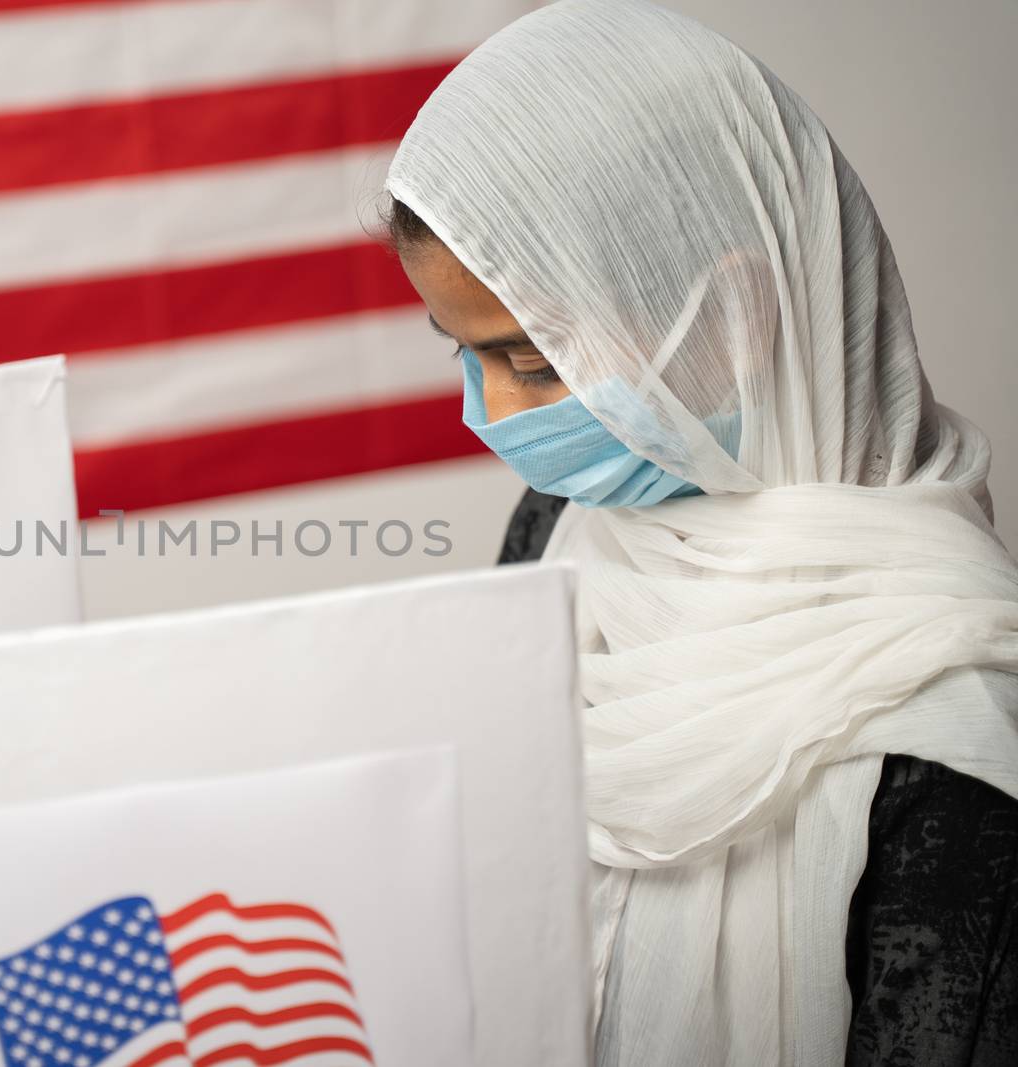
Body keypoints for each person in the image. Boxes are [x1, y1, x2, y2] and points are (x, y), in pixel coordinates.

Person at [381, 1, 1018, 1064]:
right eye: (461, 348)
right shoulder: (561, 528)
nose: (490, 410)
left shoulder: (954, 718)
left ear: (737, 314)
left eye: (535, 362)